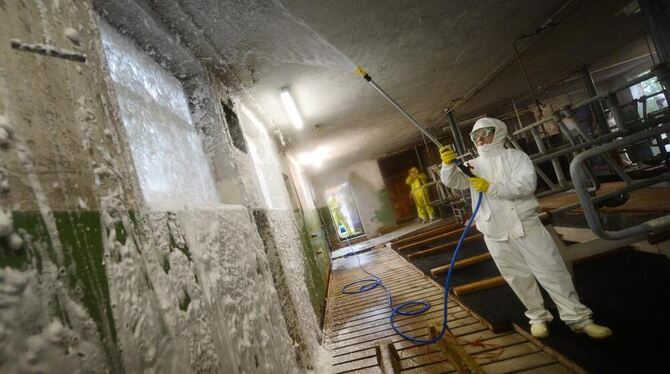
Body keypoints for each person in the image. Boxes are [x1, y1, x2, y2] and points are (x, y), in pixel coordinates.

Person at [439, 117, 612, 339]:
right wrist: (447, 164)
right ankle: (538, 317)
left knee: (552, 269)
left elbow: (526, 185)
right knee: (516, 276)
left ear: (499, 132)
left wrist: (491, 188)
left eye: (485, 133)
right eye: (475, 136)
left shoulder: (516, 157)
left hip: (525, 223)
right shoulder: (473, 165)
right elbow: (453, 181)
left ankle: (578, 318)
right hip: (494, 229)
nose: (480, 139)